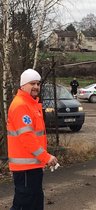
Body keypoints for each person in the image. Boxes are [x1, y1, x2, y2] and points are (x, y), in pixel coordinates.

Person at [7, 68, 58, 210]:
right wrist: (46, 157)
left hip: (33, 166)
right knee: (25, 204)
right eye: (32, 83)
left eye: (38, 83)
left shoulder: (31, 104)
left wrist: (43, 159)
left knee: (34, 203)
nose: (36, 87)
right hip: (25, 169)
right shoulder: (21, 106)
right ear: (23, 86)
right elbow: (27, 138)